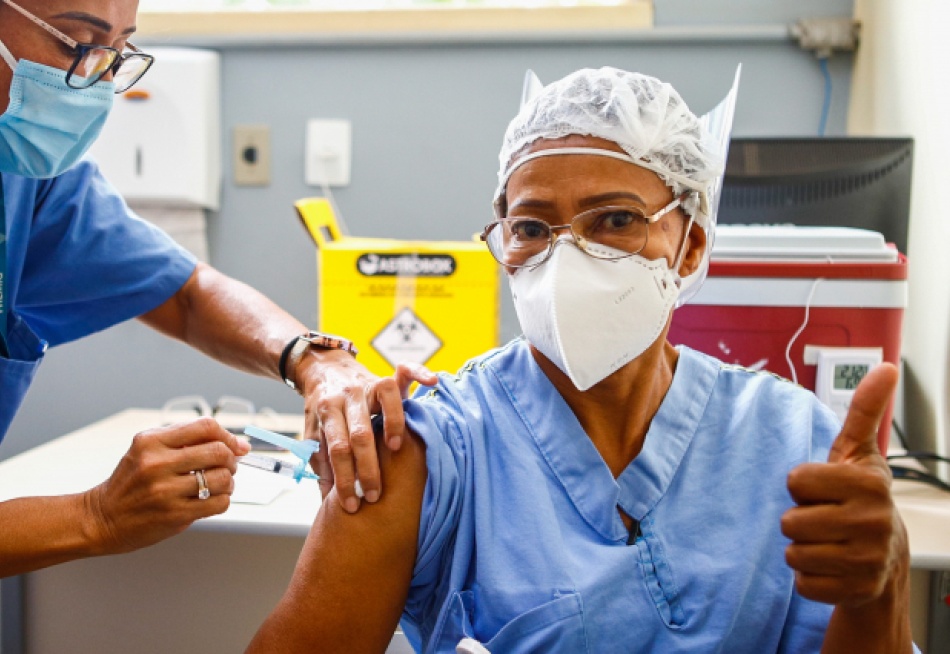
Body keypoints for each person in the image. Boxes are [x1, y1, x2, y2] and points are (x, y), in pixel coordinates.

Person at [248, 67, 917, 653]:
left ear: (688, 249)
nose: (564, 258)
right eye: (532, 228)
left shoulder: (794, 442)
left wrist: (881, 589)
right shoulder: (423, 450)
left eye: (615, 219)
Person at [0, 0, 435, 579]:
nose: (97, 81)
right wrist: (94, 516)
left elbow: (184, 293)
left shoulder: (28, 180)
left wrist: (312, 358)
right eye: (77, 42)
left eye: (118, 53)